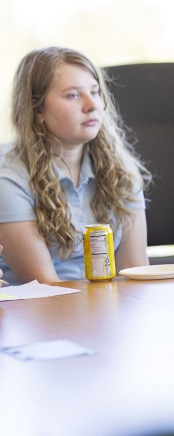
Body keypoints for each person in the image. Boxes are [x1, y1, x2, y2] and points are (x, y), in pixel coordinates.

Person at [0, 47, 148, 282]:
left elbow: (135, 276)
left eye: (95, 91)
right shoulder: (8, 180)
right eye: (73, 95)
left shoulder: (122, 172)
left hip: (107, 311)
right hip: (41, 313)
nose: (92, 105)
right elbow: (47, 290)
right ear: (37, 108)